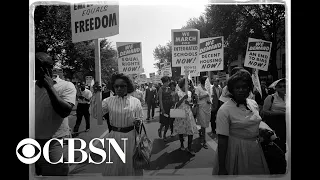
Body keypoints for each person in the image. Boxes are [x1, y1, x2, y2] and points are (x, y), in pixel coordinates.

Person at [212, 70, 269, 175]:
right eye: (237, 88)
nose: (241, 90)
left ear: (249, 89)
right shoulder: (224, 110)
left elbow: (254, 124)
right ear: (231, 90)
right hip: (235, 151)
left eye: (244, 87)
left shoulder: (254, 104)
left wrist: (262, 132)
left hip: (255, 150)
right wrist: (222, 167)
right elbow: (222, 140)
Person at [34, 52, 76, 176]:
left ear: (46, 69)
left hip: (55, 143)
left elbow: (64, 112)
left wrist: (50, 87)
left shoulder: (66, 86)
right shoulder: (31, 87)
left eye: (35, 66)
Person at [101, 73, 144, 176]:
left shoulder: (136, 102)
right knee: (115, 166)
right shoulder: (108, 101)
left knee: (130, 165)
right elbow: (96, 114)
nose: (119, 88)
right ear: (113, 87)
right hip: (115, 137)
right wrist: (96, 94)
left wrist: (138, 122)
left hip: (131, 137)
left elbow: (140, 118)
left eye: (122, 86)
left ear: (128, 86)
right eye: (116, 86)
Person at [173, 78, 199, 155]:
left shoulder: (189, 93)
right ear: (182, 84)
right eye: (186, 84)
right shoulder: (177, 93)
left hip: (188, 113)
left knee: (190, 130)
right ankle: (182, 144)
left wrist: (190, 104)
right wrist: (183, 99)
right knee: (181, 130)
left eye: (188, 84)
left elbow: (191, 103)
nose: (188, 85)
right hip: (180, 113)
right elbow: (176, 105)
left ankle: (189, 147)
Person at [262, 78, 286, 152]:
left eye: (284, 86)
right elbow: (265, 111)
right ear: (276, 88)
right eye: (280, 86)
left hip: (287, 123)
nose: (283, 88)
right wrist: (281, 113)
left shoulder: (289, 97)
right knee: (279, 143)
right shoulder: (271, 97)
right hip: (275, 123)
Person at [195, 76, 212, 149]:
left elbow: (211, 96)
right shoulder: (198, 88)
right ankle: (204, 141)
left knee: (204, 124)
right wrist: (205, 95)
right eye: (207, 80)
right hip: (201, 108)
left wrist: (209, 100)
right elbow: (196, 98)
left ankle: (200, 131)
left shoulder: (209, 88)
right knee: (204, 124)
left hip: (207, 108)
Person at [158, 76, 173, 141]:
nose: (168, 83)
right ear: (164, 82)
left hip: (170, 107)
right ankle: (160, 129)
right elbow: (160, 100)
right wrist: (162, 109)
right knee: (163, 122)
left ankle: (164, 135)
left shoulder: (169, 88)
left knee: (168, 122)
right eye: (167, 82)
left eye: (168, 82)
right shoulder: (161, 89)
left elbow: (172, 97)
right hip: (164, 107)